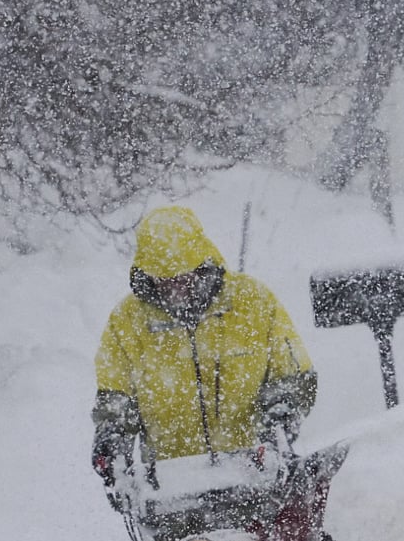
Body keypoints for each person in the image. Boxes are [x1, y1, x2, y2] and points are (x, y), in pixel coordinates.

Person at [91, 206, 316, 488]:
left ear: (201, 265)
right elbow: (115, 395)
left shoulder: (253, 302)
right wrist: (112, 435)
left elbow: (294, 375)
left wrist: (280, 416)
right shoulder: (127, 321)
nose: (175, 289)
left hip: (254, 477)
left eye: (183, 279)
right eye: (165, 282)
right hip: (172, 487)